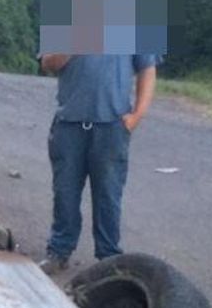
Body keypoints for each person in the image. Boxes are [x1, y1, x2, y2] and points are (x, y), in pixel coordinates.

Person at [38, 53, 158, 274]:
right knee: (65, 191)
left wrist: (137, 116)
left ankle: (109, 259)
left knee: (108, 195)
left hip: (112, 126)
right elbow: (48, 63)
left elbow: (148, 70)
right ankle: (59, 251)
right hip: (69, 124)